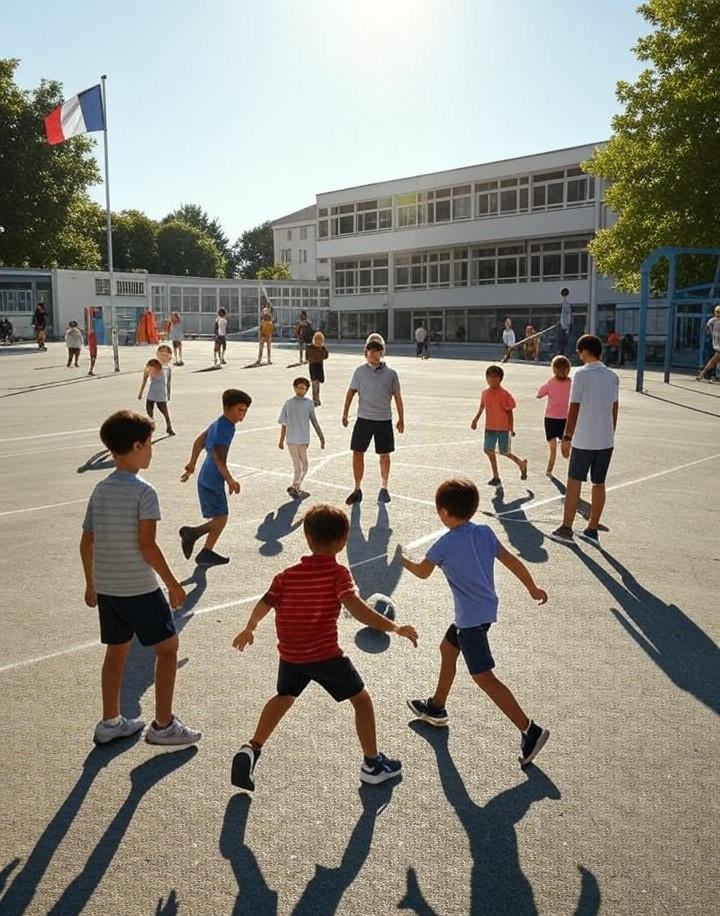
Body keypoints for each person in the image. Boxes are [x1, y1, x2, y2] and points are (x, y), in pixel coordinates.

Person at [229, 503, 418, 791]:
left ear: (307, 537)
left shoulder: (286, 575)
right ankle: (372, 764)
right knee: (361, 700)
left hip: (291, 654)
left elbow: (265, 603)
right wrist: (394, 627)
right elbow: (356, 608)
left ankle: (252, 748)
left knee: (284, 696)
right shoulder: (337, 574)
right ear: (343, 541)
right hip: (325, 655)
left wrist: (250, 628)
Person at [399, 478, 549, 768]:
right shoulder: (485, 532)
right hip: (483, 611)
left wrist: (400, 560)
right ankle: (437, 706)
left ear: (444, 512)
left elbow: (422, 572)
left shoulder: (444, 544)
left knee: (484, 677)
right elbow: (512, 561)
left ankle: (530, 730)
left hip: (470, 621)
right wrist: (532, 588)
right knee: (447, 649)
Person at [79, 409, 200, 746]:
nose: (151, 451)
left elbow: (86, 541)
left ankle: (110, 721)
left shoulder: (100, 490)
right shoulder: (144, 491)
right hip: (139, 587)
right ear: (136, 446)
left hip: (108, 587)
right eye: (149, 444)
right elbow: (147, 546)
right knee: (168, 648)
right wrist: (173, 583)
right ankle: (163, 725)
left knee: (116, 651)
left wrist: (91, 583)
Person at [549, 333, 619, 545]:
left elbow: (574, 408)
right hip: (605, 440)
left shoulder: (580, 375)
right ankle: (592, 529)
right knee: (599, 483)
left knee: (574, 482)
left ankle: (566, 528)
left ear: (585, 351)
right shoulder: (613, 377)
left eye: (579, 351)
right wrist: (610, 433)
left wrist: (567, 437)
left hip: (584, 440)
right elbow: (614, 408)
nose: (579, 355)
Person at [179, 388, 252, 566]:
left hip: (206, 476)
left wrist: (192, 464)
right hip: (213, 479)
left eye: (245, 411)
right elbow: (219, 459)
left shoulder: (218, 423)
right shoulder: (225, 429)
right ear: (227, 408)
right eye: (239, 410)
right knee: (221, 518)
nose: (242, 414)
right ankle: (193, 535)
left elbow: (199, 441)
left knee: (220, 517)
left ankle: (205, 551)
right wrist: (230, 480)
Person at [342, 334, 404, 506]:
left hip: (383, 420)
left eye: (378, 350)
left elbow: (398, 397)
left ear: (382, 352)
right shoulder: (359, 372)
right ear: (366, 352)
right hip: (364, 419)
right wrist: (345, 413)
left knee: (384, 454)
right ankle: (357, 488)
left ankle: (384, 487)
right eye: (371, 350)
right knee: (357, 452)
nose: (374, 353)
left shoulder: (391, 374)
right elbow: (351, 393)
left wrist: (401, 419)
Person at [470, 365, 527, 486]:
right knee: (488, 450)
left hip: (503, 428)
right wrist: (475, 420)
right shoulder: (485, 393)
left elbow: (509, 412)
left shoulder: (504, 394)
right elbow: (482, 407)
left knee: (504, 451)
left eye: (495, 377)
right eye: (489, 377)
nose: (492, 379)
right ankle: (496, 476)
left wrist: (511, 428)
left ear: (500, 379)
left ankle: (521, 463)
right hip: (489, 427)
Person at [278, 377, 325, 498]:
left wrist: (321, 437)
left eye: (303, 388)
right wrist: (281, 440)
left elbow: (314, 421)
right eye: (299, 387)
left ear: (307, 390)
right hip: (296, 440)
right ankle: (297, 485)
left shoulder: (307, 403)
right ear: (294, 388)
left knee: (299, 465)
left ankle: (295, 484)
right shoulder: (290, 403)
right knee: (302, 465)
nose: (301, 390)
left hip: (299, 440)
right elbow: (284, 424)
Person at [536, 356, 572, 476]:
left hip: (552, 419)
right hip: (563, 419)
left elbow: (539, 394)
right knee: (564, 450)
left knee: (553, 450)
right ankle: (556, 470)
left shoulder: (551, 382)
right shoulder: (571, 383)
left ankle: (549, 471)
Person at [138, 357, 175, 436]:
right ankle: (150, 430)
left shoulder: (164, 370)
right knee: (149, 413)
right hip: (151, 394)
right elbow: (144, 380)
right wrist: (141, 392)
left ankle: (169, 427)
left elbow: (168, 382)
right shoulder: (149, 370)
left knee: (165, 413)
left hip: (160, 395)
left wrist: (168, 395)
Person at [696, 304, 720, 382]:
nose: (718, 314)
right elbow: (710, 330)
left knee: (713, 361)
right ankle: (704, 374)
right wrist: (713, 336)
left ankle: (703, 374)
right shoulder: (713, 320)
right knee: (713, 361)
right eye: (717, 312)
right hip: (717, 344)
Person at [305, 330, 329, 405]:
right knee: (317, 384)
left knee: (314, 383)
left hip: (312, 366)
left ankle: (315, 398)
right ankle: (316, 398)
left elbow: (307, 358)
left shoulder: (309, 348)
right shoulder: (322, 348)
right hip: (319, 366)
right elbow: (326, 356)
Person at [558, 288, 573, 356]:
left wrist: (567, 327)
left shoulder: (567, 303)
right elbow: (563, 316)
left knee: (565, 340)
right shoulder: (564, 302)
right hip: (563, 326)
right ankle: (562, 351)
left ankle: (565, 352)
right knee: (562, 340)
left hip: (566, 326)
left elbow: (567, 315)